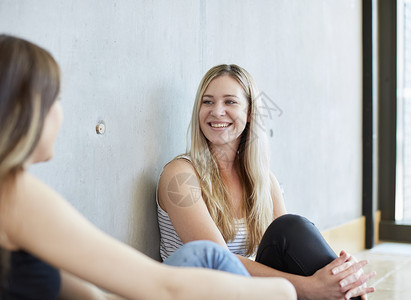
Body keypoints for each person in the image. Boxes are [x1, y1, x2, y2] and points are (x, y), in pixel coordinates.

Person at [0, 35, 297, 300]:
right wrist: (289, 291)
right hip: (187, 285)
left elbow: (83, 292)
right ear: (22, 111)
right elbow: (165, 287)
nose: (60, 112)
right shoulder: (16, 195)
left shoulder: (16, 197)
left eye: (230, 102)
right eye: (56, 99)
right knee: (205, 255)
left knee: (295, 232)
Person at [157, 64, 377, 300]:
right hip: (201, 292)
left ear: (250, 113)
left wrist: (338, 273)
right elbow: (218, 262)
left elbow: (290, 248)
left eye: (230, 102)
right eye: (207, 102)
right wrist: (308, 287)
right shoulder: (180, 176)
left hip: (246, 292)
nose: (217, 111)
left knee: (291, 229)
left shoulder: (264, 180)